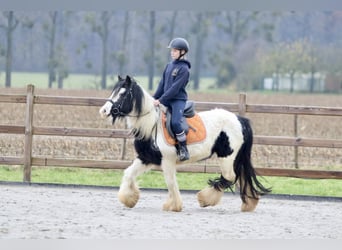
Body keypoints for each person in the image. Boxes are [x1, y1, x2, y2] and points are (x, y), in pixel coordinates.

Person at [153, 37, 191, 161]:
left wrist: (161, 100)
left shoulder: (184, 69)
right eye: (172, 50)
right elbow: (162, 84)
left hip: (178, 100)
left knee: (175, 122)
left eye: (175, 50)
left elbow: (175, 89)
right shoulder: (169, 66)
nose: (172, 52)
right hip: (166, 99)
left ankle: (183, 148)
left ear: (183, 52)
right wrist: (154, 98)